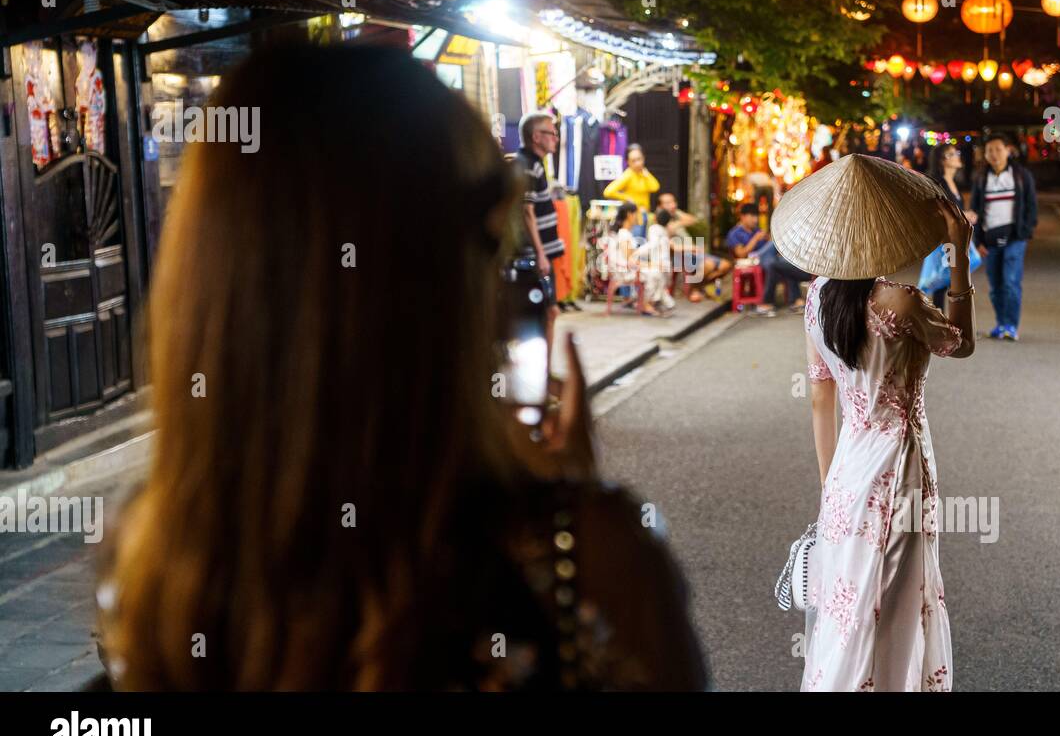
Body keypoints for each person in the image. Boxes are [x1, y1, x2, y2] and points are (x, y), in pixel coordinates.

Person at [96, 44, 707, 690]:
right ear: (449, 279)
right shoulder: (585, 563)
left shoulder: (149, 566)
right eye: (491, 241)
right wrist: (563, 523)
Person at [775, 156, 975, 692]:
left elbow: (820, 399)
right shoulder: (899, 301)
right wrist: (960, 259)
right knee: (896, 600)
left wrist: (827, 488)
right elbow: (962, 343)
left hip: (846, 472)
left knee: (851, 603)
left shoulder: (817, 298)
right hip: (899, 467)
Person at [969, 133, 1038, 341]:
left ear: (1008, 151)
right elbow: (976, 210)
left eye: (998, 149)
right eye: (989, 150)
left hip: (1014, 238)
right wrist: (978, 241)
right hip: (989, 240)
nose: (994, 154)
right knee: (995, 286)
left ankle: (1011, 325)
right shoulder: (982, 178)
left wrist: (1025, 231)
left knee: (1010, 282)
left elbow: (1031, 207)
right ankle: (1001, 323)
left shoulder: (1020, 175)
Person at [513, 110, 566, 360]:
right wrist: (540, 254)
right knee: (543, 313)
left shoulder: (534, 164)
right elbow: (526, 212)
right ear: (536, 136)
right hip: (531, 255)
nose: (556, 138)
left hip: (537, 253)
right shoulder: (526, 165)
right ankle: (538, 377)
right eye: (551, 133)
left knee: (549, 312)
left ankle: (542, 375)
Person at [726, 202, 810, 316]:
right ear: (743, 216)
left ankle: (788, 302)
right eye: (752, 216)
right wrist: (756, 239)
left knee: (781, 263)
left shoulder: (757, 230)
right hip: (749, 260)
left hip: (767, 260)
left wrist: (766, 237)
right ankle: (796, 300)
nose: (755, 219)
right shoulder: (735, 233)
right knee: (773, 245)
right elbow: (741, 254)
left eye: (756, 216)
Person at [927, 143, 977, 310]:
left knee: (953, 282)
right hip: (945, 241)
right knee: (944, 282)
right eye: (952, 153)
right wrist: (963, 215)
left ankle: (954, 323)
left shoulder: (953, 181)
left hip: (956, 240)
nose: (957, 155)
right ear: (942, 161)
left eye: (956, 151)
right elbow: (938, 212)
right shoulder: (938, 184)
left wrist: (966, 214)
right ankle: (943, 324)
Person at [657, 192, 732, 302]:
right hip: (679, 256)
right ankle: (692, 289)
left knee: (726, 265)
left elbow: (693, 220)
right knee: (709, 265)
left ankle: (697, 287)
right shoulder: (660, 222)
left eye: (673, 202)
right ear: (660, 207)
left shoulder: (676, 216)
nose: (672, 205)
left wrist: (677, 219)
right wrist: (692, 248)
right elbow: (670, 246)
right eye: (667, 203)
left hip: (693, 252)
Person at [609, 202, 657, 317]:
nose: (638, 217)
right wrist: (648, 265)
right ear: (630, 215)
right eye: (636, 214)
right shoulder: (624, 234)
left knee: (656, 270)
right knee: (655, 273)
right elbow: (630, 260)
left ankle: (645, 302)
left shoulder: (625, 233)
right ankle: (644, 304)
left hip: (627, 269)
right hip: (624, 272)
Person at [603, 143, 660, 228]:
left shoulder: (643, 174)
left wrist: (647, 175)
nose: (637, 163)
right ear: (628, 162)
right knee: (636, 240)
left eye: (639, 159)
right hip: (634, 216)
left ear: (643, 158)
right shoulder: (628, 175)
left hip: (644, 215)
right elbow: (608, 192)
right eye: (633, 160)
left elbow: (655, 187)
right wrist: (627, 197)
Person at [637, 208, 676, 312]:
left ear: (655, 218)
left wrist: (637, 252)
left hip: (658, 264)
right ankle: (666, 304)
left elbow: (652, 245)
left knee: (654, 284)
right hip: (666, 264)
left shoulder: (654, 229)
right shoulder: (664, 231)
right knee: (660, 287)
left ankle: (650, 305)